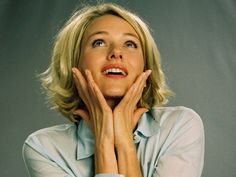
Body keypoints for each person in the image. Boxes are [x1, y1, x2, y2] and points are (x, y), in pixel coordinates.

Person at [22, 3, 204, 177]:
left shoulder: (180, 126)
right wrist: (104, 142)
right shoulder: (44, 149)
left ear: (145, 65)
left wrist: (124, 142)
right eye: (99, 42)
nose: (116, 52)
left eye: (130, 44)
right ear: (73, 62)